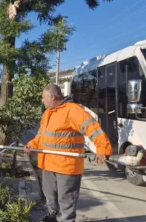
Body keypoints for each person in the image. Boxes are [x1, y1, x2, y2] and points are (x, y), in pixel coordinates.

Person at [24, 84, 112, 222]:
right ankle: (52, 216)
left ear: (52, 97)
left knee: (66, 200)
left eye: (43, 97)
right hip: (47, 163)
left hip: (66, 166)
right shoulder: (47, 113)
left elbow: (93, 128)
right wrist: (32, 144)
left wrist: (102, 149)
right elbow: (41, 135)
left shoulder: (73, 110)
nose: (42, 100)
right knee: (49, 196)